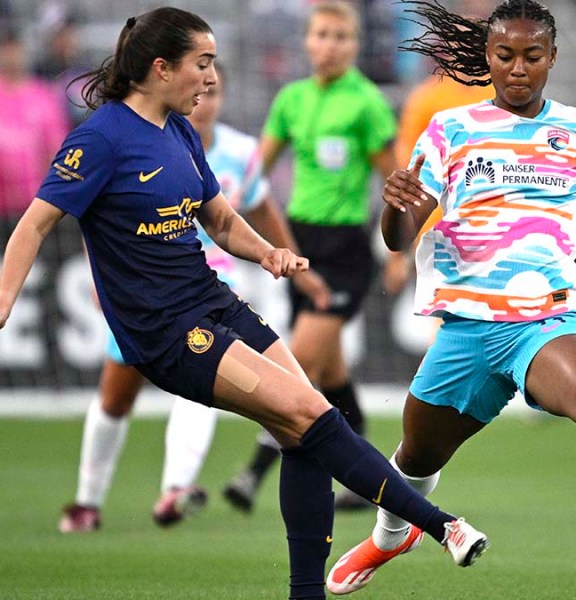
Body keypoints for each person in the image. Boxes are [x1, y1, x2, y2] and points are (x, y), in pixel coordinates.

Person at [0, 8, 488, 599]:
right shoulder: (100, 139)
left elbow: (221, 219)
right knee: (314, 417)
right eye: (201, 64)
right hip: (166, 333)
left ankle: (306, 592)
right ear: (160, 68)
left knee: (297, 428)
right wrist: (2, 302)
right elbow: (33, 225)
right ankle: (437, 525)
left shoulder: (178, 130)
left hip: (213, 302)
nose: (210, 79)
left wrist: (269, 254)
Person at [325, 0, 576, 594]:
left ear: (552, 58)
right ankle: (391, 538)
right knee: (414, 458)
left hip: (547, 313)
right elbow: (399, 236)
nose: (517, 68)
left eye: (532, 56)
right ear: (488, 58)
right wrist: (394, 205)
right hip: (468, 325)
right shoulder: (451, 130)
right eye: (505, 55)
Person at [57, 62, 331, 533]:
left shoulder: (241, 152)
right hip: (144, 290)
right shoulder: (132, 143)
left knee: (203, 382)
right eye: (201, 88)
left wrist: (288, 260)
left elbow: (259, 212)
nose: (207, 100)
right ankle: (87, 501)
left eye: (217, 91)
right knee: (115, 399)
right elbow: (93, 217)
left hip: (211, 289)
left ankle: (175, 488)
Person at [222, 1, 409, 513]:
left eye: (340, 36)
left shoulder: (366, 103)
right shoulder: (292, 100)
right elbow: (254, 172)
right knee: (328, 372)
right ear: (306, 41)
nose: (329, 45)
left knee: (299, 364)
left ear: (353, 45)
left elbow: (395, 185)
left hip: (346, 248)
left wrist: (400, 250)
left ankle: (252, 473)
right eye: (321, 34)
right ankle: (371, 475)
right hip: (300, 245)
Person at [0, 20, 70, 218]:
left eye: (15, 49)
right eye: (6, 49)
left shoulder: (43, 96)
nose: (11, 56)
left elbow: (56, 150)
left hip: (35, 206)